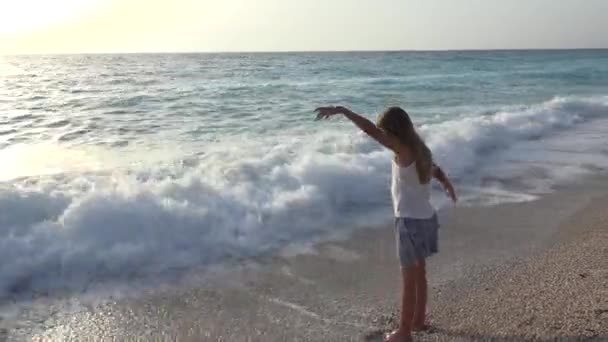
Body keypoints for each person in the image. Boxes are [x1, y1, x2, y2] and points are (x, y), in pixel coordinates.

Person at [315, 106, 456, 342]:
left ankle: (404, 331)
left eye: (385, 131)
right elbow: (434, 170)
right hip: (425, 218)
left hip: (409, 222)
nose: (382, 136)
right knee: (420, 274)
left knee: (408, 279)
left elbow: (370, 130)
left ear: (393, 132)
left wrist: (342, 111)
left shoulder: (402, 150)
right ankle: (418, 321)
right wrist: (447, 183)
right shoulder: (419, 149)